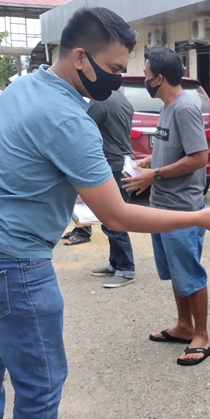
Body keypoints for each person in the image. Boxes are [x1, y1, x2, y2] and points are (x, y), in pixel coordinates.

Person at [0, 8, 210, 419]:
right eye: (115, 68)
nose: (120, 78)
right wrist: (199, 217)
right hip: (11, 260)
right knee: (41, 383)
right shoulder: (67, 117)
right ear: (80, 57)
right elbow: (116, 216)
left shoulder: (23, 86)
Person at [123, 46, 210, 366]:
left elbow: (199, 157)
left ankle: (201, 335)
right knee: (176, 273)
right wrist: (148, 162)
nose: (146, 81)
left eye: (147, 76)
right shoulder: (167, 107)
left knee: (189, 271)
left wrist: (155, 174)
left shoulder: (185, 108)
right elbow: (175, 150)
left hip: (182, 208)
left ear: (159, 78)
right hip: (163, 206)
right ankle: (184, 325)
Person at [85, 89, 138, 288]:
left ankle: (126, 269)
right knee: (111, 218)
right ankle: (115, 263)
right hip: (124, 163)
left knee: (113, 219)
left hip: (113, 166)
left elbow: (82, 128)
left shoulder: (99, 102)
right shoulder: (121, 97)